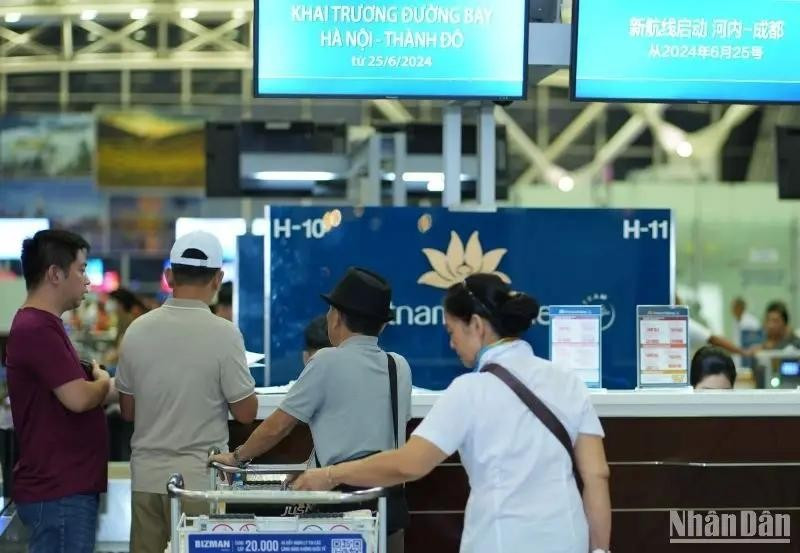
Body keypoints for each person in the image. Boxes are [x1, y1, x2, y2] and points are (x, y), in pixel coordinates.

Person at [293, 273, 612, 553]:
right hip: (567, 538)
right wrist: (599, 549)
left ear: (476, 325)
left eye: (451, 331)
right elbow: (596, 476)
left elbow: (408, 464)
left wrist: (331, 474)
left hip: (501, 540)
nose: (451, 343)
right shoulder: (568, 382)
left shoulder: (469, 391)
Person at [211, 267, 412, 552]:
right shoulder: (399, 366)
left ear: (338, 317)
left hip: (342, 512)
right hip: (388, 507)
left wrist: (238, 456)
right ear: (381, 326)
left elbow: (278, 425)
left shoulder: (326, 361)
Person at [116, 231, 258, 553]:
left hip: (147, 480)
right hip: (199, 483)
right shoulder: (225, 334)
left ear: (169, 276)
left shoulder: (137, 331)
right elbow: (247, 414)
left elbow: (128, 411)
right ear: (218, 278)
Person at [6, 229, 110, 553]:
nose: (88, 281)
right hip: (59, 492)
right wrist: (104, 384)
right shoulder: (36, 328)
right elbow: (78, 398)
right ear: (55, 273)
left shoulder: (47, 326)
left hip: (65, 488)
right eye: (81, 270)